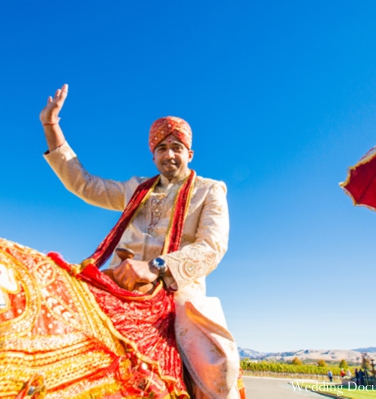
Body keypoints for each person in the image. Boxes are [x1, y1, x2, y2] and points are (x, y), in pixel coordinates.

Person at [39, 84, 241, 399]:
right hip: (121, 286)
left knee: (218, 369)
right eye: (162, 148)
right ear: (153, 155)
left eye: (176, 147)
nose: (169, 154)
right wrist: (51, 127)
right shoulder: (136, 189)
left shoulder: (209, 190)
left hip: (179, 297)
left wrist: (157, 267)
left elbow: (212, 247)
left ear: (190, 153)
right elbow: (83, 183)